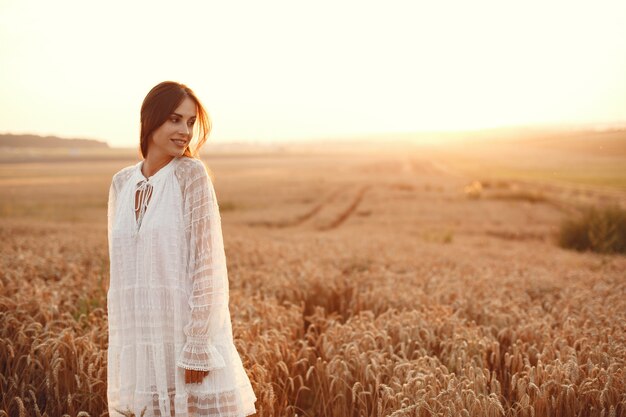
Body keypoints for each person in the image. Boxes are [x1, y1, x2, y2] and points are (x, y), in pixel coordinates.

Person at [106, 81, 257, 417]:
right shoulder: (121, 182)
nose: (185, 131)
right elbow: (120, 275)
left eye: (190, 122)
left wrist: (197, 346)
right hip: (142, 346)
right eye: (175, 120)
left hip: (186, 344)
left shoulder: (191, 175)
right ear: (151, 120)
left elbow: (208, 265)